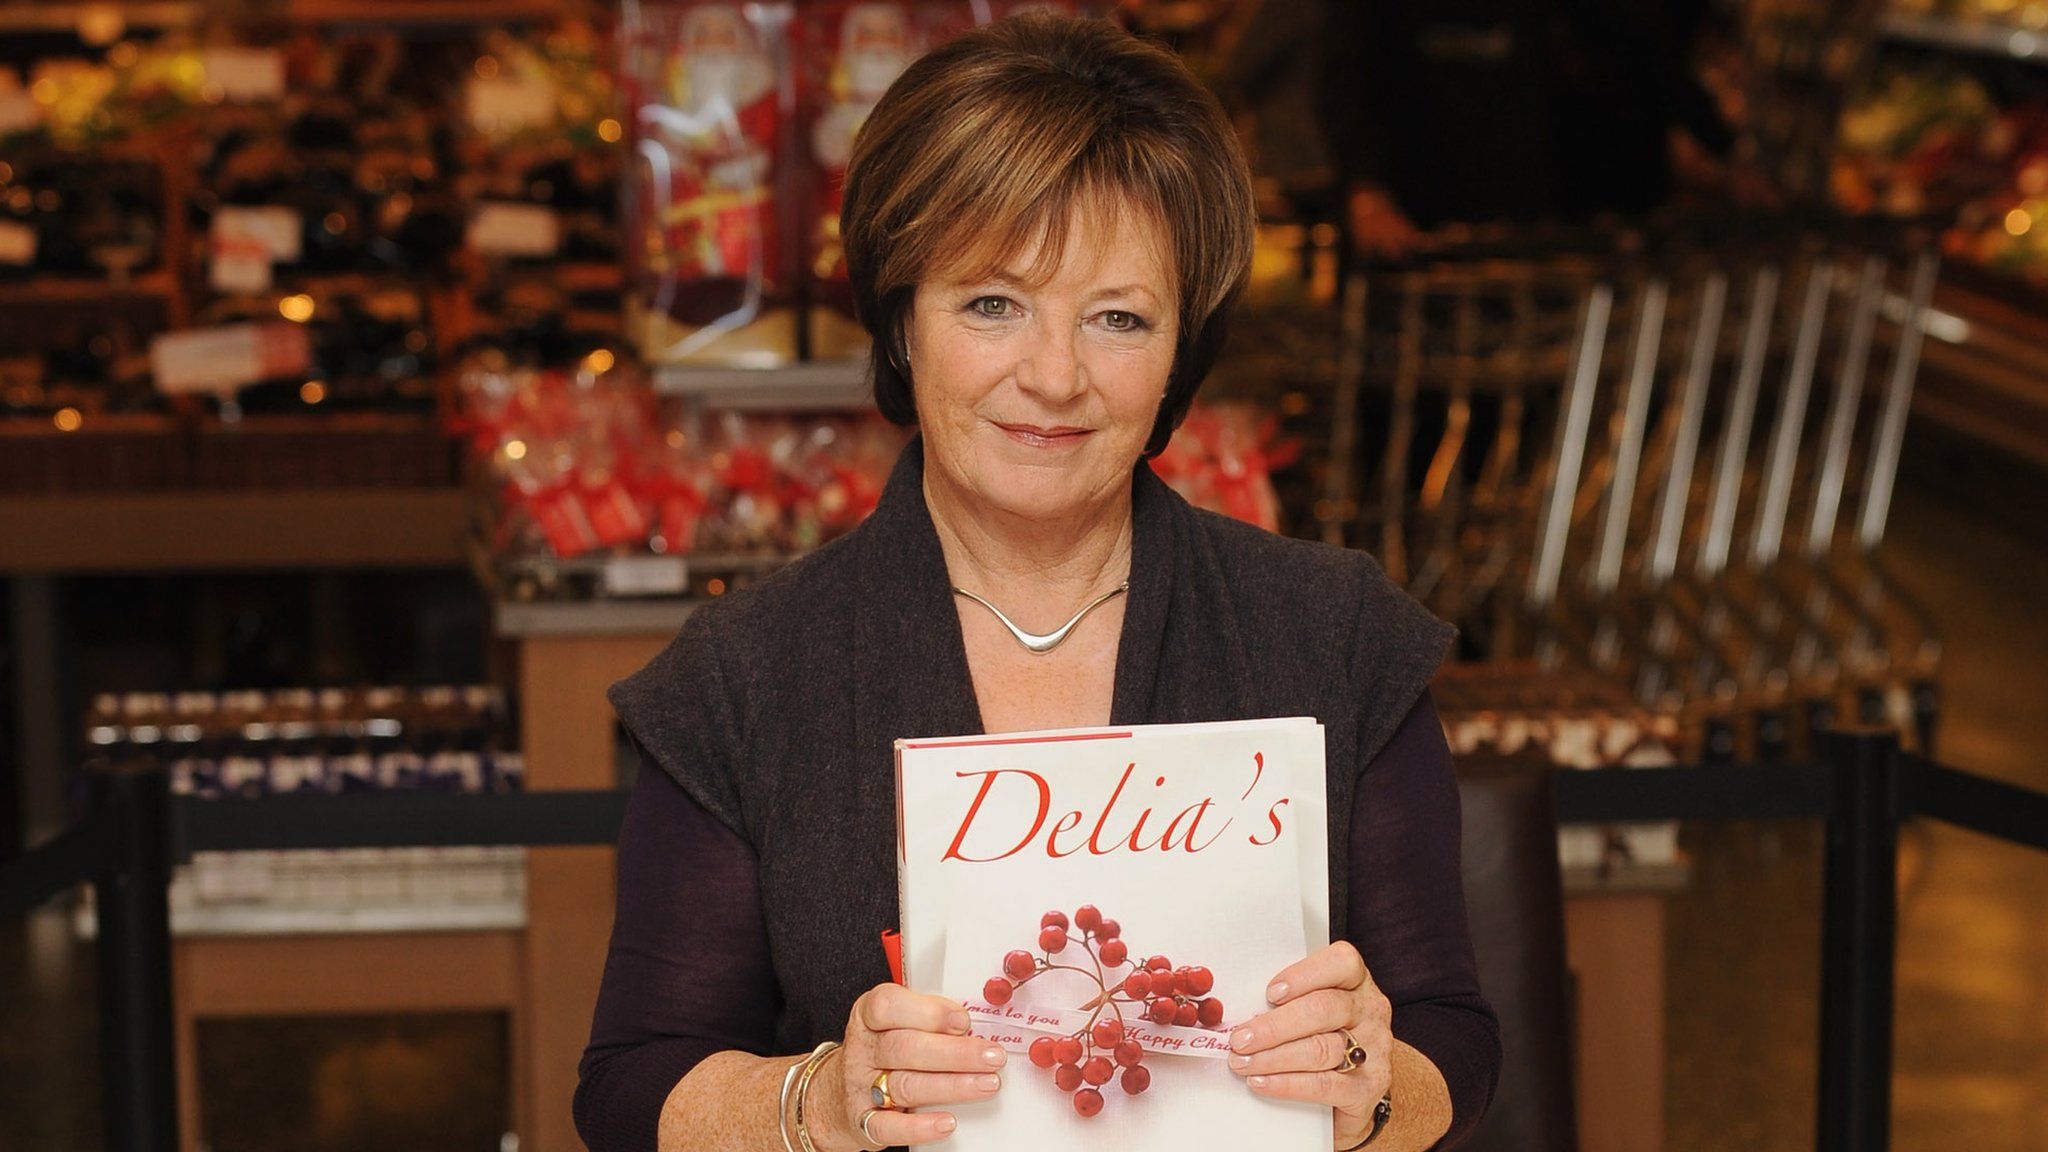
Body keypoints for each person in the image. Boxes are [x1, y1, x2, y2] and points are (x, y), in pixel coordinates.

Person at [576, 13, 1500, 1152]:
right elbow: (629, 1090)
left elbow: (1453, 1038)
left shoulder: (1332, 637)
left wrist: (1374, 1081)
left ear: (1179, 353)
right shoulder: (747, 679)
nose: (1053, 376)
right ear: (902, 320)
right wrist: (814, 1104)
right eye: (991, 304)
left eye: (1117, 318)